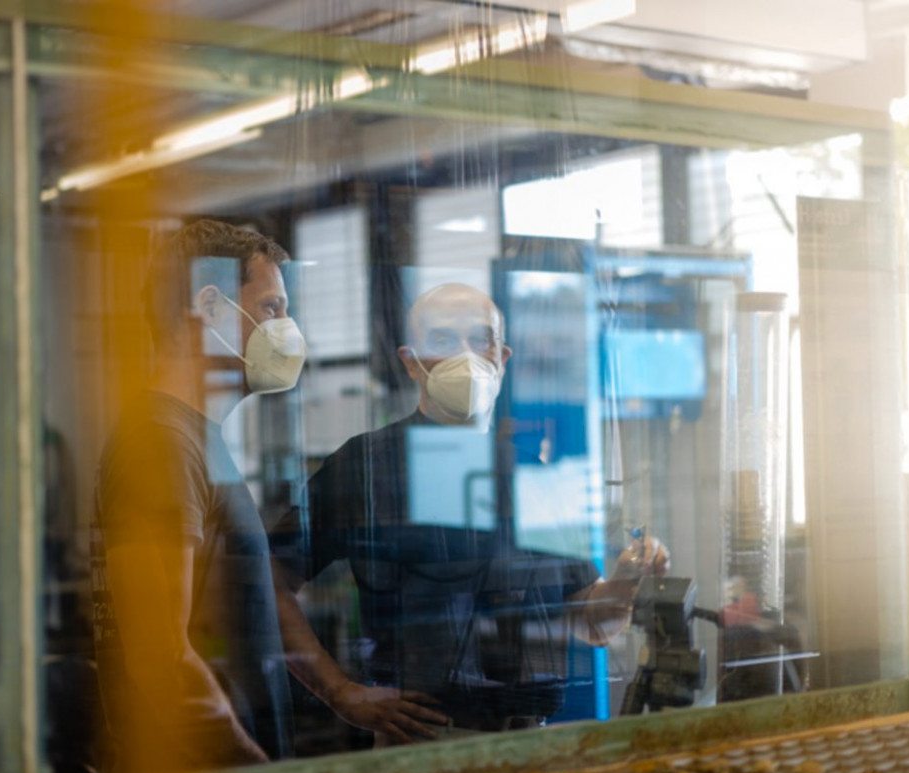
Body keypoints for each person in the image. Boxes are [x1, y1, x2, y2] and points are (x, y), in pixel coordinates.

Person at [270, 282, 668, 746]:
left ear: (502, 358)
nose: (465, 356)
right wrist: (338, 692)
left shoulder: (533, 475)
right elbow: (269, 582)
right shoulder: (364, 467)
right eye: (442, 341)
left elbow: (592, 625)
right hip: (419, 744)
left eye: (480, 340)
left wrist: (627, 578)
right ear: (411, 362)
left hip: (531, 743)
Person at [90, 220, 304, 773]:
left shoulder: (192, 436)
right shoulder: (162, 441)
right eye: (272, 307)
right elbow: (159, 658)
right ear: (209, 307)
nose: (285, 327)